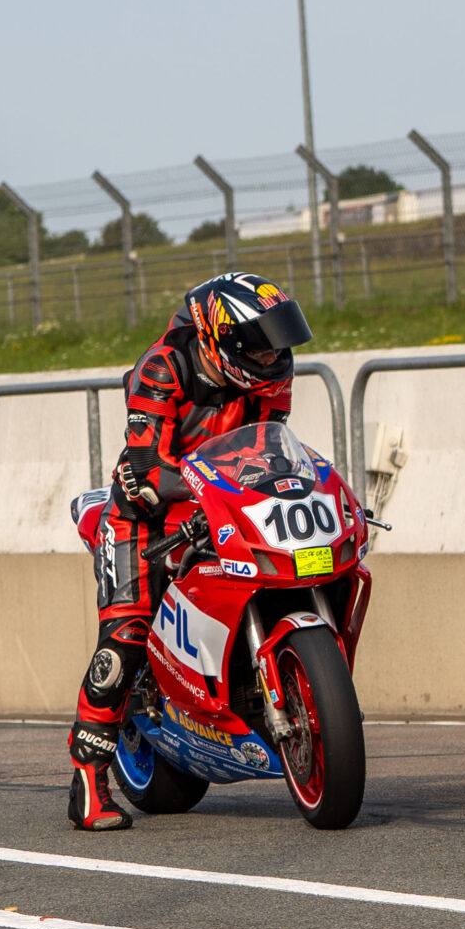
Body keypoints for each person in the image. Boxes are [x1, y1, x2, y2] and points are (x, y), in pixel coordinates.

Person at [67, 273, 311, 830]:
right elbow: (143, 466)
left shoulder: (272, 374)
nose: (272, 352)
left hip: (219, 505)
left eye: (278, 337)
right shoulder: (165, 366)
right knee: (125, 636)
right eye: (258, 339)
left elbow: (266, 450)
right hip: (142, 514)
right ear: (218, 336)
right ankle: (88, 778)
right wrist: (195, 494)